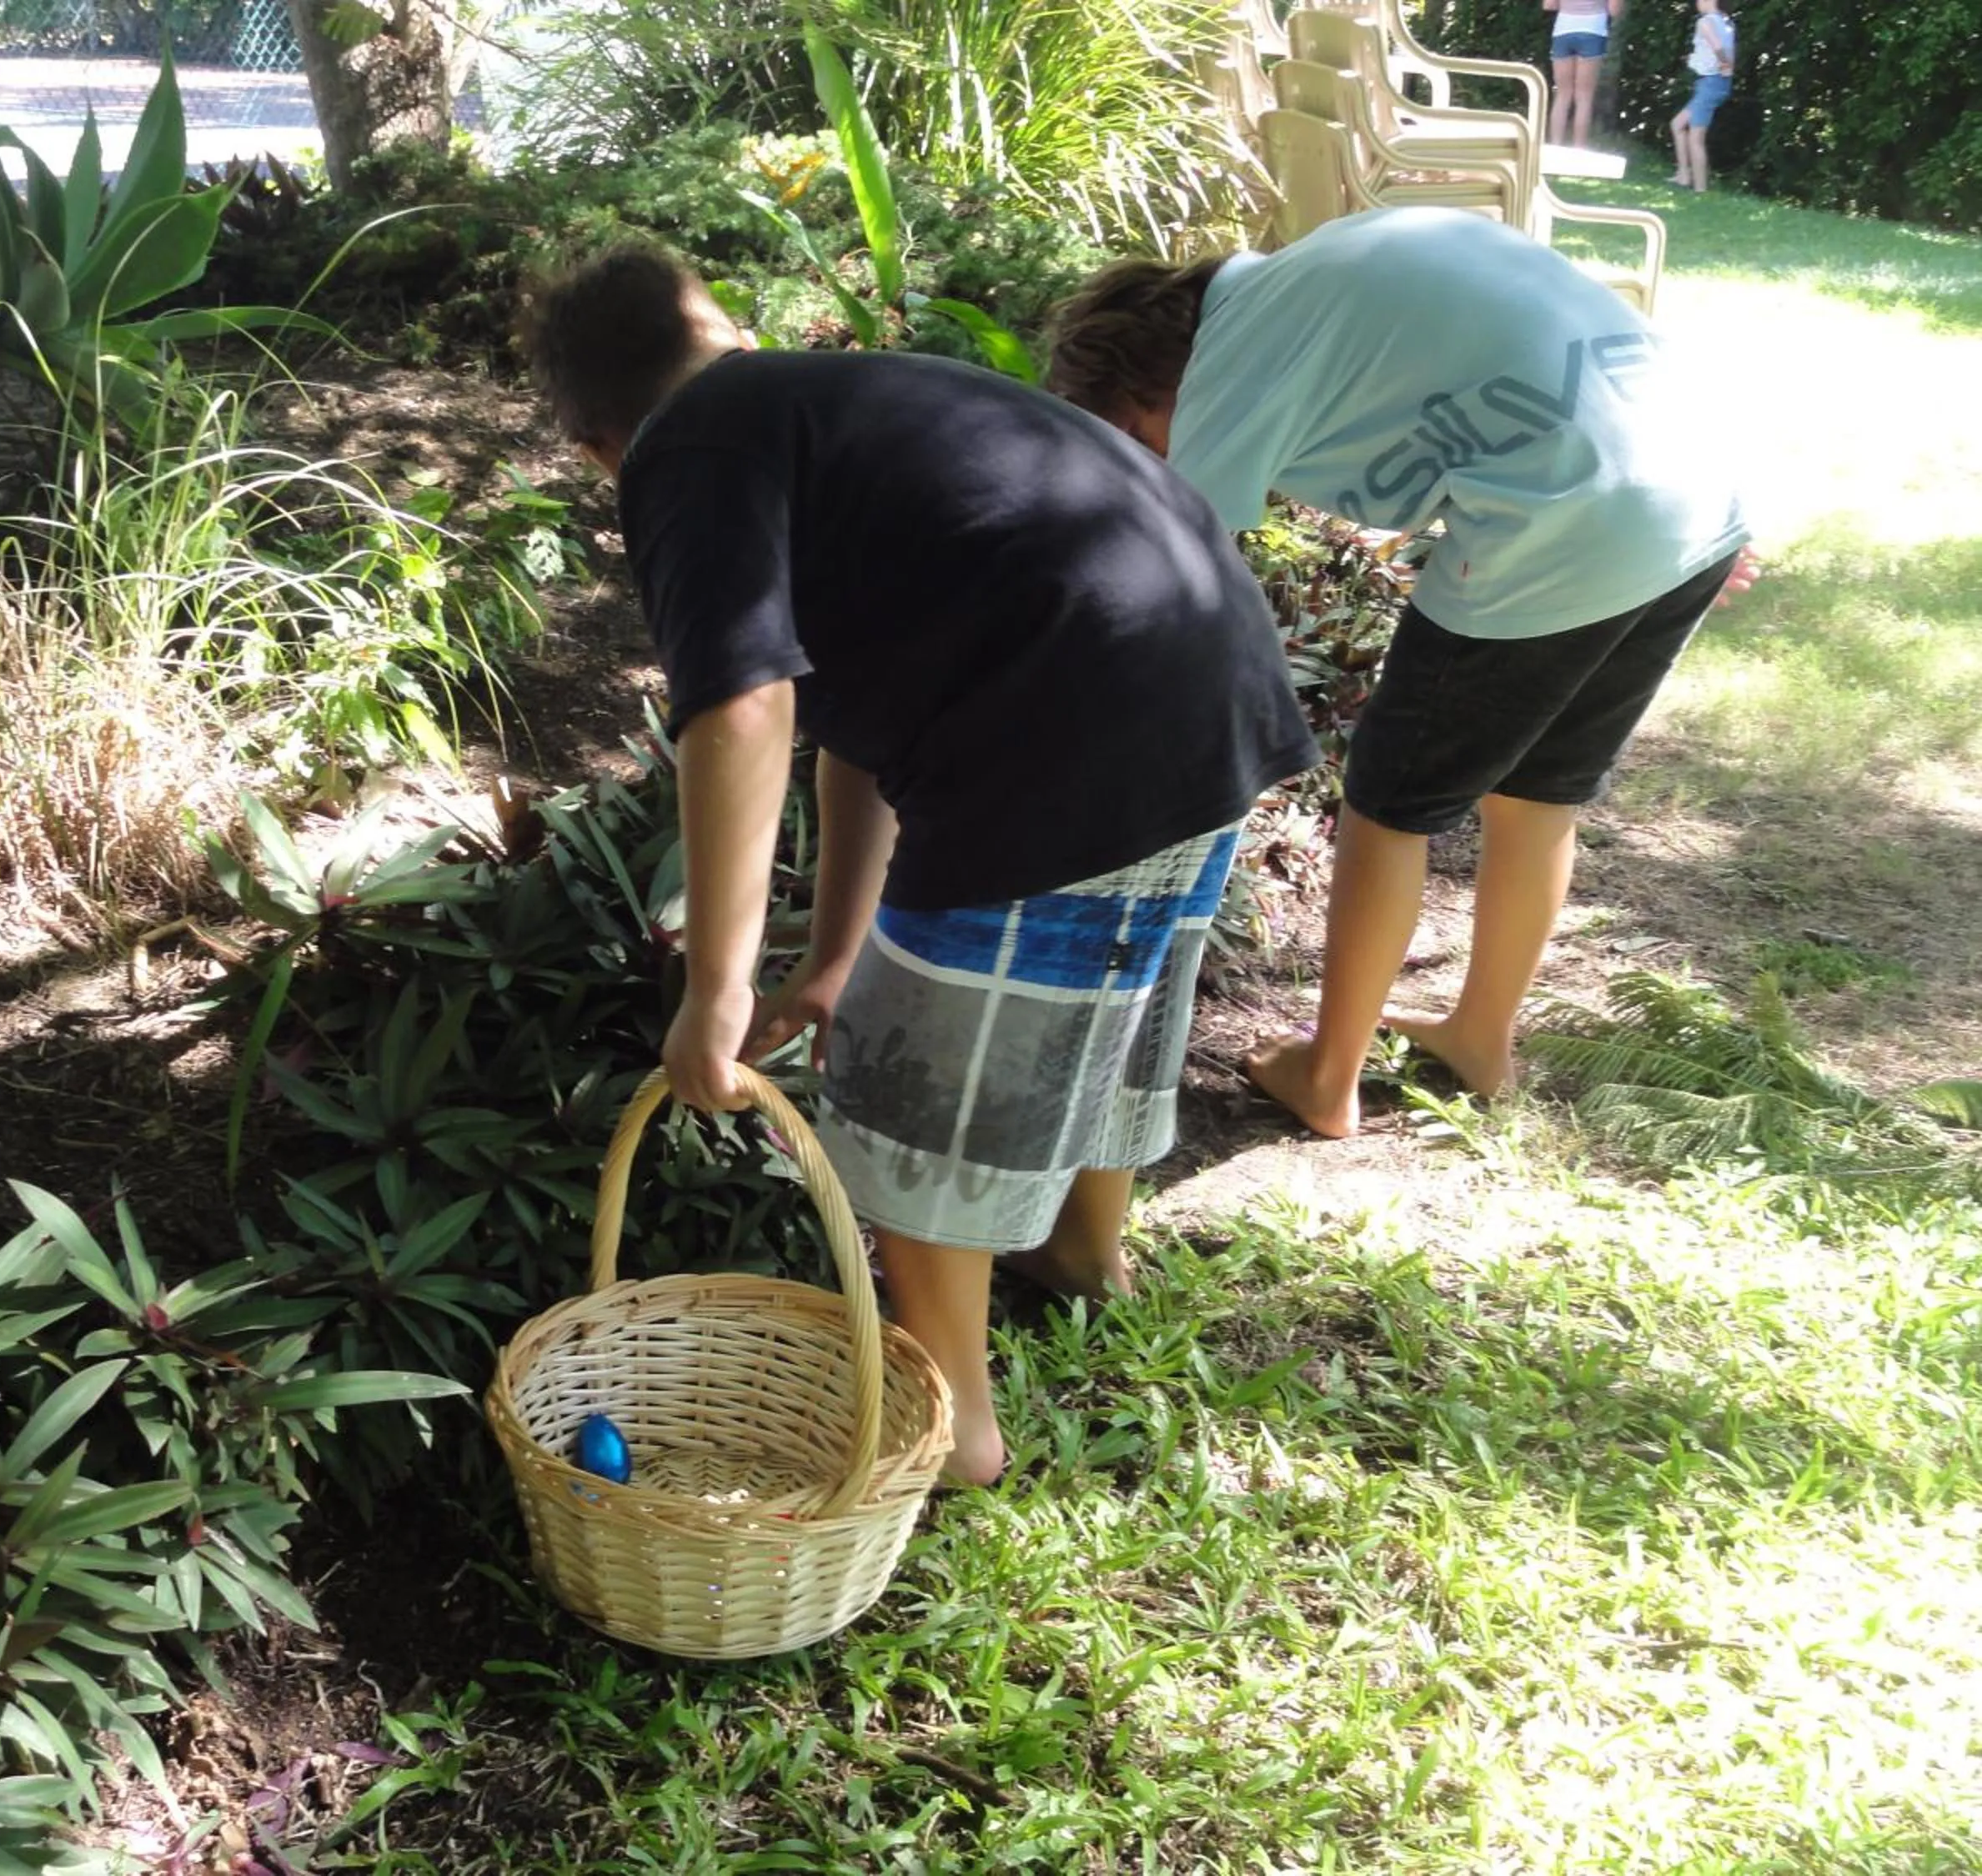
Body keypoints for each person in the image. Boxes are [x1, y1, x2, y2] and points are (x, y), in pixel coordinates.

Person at [520, 244, 1318, 1484]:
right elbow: (853, 729)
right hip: (1209, 690)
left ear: (595, 445)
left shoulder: (693, 449)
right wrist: (838, 951)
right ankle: (1081, 1254)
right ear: (723, 334)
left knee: (902, 1101)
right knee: (1109, 1001)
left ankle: (953, 1424)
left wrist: (716, 992)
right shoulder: (837, 402)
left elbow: (743, 711)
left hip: (1066, 726)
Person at [1046, 208, 1755, 1141]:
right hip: (1689, 502)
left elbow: (1164, 552)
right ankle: (1479, 1037)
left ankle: (1328, 1074)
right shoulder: (1311, 282)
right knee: (1537, 797)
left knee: (1387, 805)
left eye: (1137, 439)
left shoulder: (1232, 352)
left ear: (1147, 382)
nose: (1147, 462)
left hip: (1566, 521)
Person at [1670, 0, 1738, 191]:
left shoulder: (1705, 22)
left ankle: (1700, 189)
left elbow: (1717, 47)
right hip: (1714, 83)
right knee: (1677, 124)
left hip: (1711, 82)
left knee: (1696, 137)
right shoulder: (1726, 22)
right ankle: (1683, 175)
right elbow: (1725, 49)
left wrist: (1725, 65)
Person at [1544, 0, 1623, 149]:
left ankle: (1555, 149)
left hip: (1563, 30)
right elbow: (1614, 10)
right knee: (1584, 97)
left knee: (1562, 95)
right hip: (1593, 30)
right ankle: (1579, 151)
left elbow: (1549, 5)